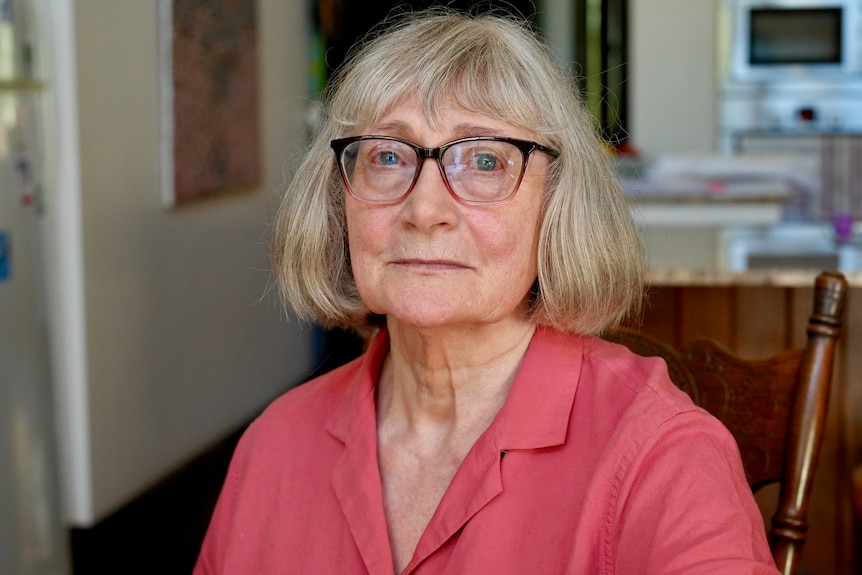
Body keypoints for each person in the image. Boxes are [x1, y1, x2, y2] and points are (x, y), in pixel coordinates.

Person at [194, 9, 780, 575]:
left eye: (484, 161)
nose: (424, 209)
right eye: (388, 156)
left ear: (555, 206)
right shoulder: (275, 442)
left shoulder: (661, 454)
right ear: (338, 199)